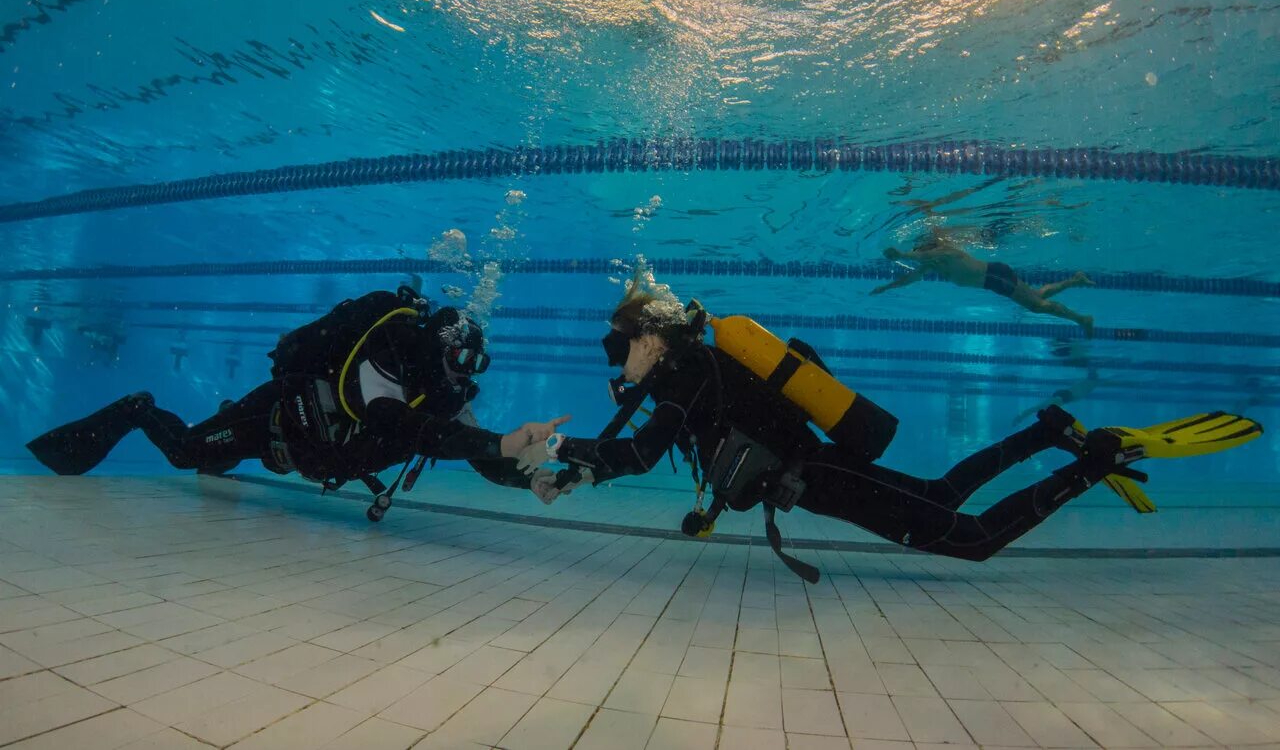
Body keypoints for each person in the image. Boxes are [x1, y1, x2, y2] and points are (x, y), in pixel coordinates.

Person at [514, 276, 1261, 580]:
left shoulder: (683, 373)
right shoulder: (697, 370)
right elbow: (646, 448)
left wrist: (552, 445)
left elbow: (640, 454)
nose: (620, 369)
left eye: (621, 349)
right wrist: (576, 473)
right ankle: (1048, 431)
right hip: (820, 469)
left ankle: (1093, 459)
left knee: (971, 542)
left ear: (648, 337)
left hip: (818, 476)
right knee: (940, 490)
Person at [28, 285, 570, 507]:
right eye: (457, 365)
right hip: (274, 420)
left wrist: (531, 474)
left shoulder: (443, 394)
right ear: (436, 351)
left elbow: (475, 450)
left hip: (299, 452)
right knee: (186, 454)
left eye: (470, 370)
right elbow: (399, 425)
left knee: (215, 460)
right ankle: (138, 408)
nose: (460, 380)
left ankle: (224, 432)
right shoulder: (384, 359)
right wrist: (502, 441)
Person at [870, 230, 1095, 336]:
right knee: (1037, 297)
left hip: (994, 276)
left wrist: (901, 254)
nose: (918, 251)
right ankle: (1075, 280)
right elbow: (910, 278)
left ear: (928, 247)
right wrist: (886, 287)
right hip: (994, 278)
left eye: (919, 248)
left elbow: (916, 257)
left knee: (1036, 306)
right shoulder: (933, 264)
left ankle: (1082, 319)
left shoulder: (945, 252)